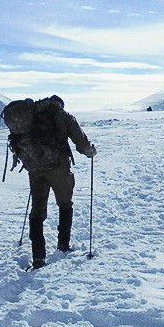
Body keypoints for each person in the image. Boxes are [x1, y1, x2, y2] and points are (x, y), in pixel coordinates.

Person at [26, 95, 96, 269]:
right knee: (65, 204)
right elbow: (81, 143)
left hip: (36, 169)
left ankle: (38, 257)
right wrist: (91, 152)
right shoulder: (64, 117)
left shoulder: (33, 116)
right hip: (59, 169)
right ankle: (63, 245)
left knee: (37, 211)